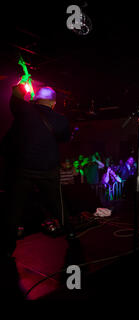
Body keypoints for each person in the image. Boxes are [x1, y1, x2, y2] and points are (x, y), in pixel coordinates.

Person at [1, 84, 71, 269]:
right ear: (54, 104)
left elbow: (15, 94)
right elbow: (64, 138)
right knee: (58, 203)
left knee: (14, 209)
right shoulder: (61, 120)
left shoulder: (24, 109)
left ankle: (7, 250)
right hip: (47, 169)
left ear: (37, 99)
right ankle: (71, 235)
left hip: (22, 168)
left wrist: (22, 85)